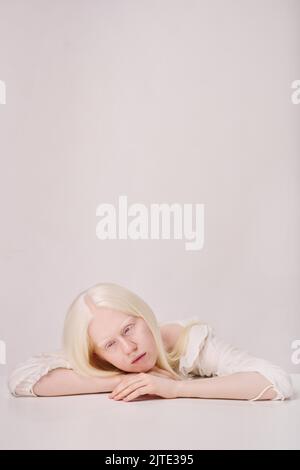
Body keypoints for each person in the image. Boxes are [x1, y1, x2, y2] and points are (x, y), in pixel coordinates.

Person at [8, 282, 294, 401]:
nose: (128, 348)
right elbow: (21, 379)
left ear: (144, 315)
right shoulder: (100, 359)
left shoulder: (188, 342)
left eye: (129, 328)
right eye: (110, 345)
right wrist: (116, 381)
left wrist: (176, 388)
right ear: (98, 354)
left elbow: (276, 381)